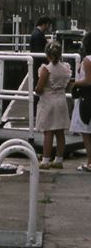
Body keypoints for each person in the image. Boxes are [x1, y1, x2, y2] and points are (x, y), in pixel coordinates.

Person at [34, 41, 71, 170]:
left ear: (47, 55)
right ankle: (59, 159)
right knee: (60, 131)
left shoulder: (46, 69)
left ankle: (45, 160)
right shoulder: (65, 68)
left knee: (48, 131)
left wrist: (37, 89)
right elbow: (67, 84)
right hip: (61, 101)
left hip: (49, 102)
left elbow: (39, 88)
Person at [70, 31, 91, 172]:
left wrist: (76, 84)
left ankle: (90, 162)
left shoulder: (87, 60)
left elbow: (89, 81)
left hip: (87, 98)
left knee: (86, 133)